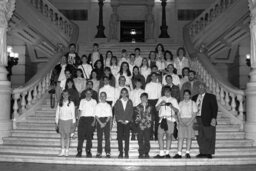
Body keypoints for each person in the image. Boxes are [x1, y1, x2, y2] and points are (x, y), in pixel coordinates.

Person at [192, 83, 218, 159]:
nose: (200, 89)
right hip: (196, 119)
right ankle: (202, 152)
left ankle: (209, 153)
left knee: (209, 136)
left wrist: (214, 118)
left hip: (208, 119)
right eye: (199, 87)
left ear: (205, 88)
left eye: (202, 87)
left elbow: (214, 108)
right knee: (199, 137)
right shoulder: (194, 97)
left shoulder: (211, 97)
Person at [154, 86, 179, 158]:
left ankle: (167, 153)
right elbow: (156, 109)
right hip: (162, 119)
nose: (166, 93)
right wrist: (161, 103)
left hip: (170, 119)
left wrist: (171, 106)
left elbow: (177, 110)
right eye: (165, 91)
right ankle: (161, 152)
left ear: (170, 92)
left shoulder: (174, 100)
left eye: (168, 91)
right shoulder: (161, 98)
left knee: (169, 136)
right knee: (159, 135)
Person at [173, 89, 197, 159]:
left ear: (190, 95)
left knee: (189, 137)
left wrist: (190, 122)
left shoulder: (193, 103)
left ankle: (187, 153)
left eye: (187, 94)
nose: (186, 96)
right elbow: (178, 113)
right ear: (183, 95)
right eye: (185, 94)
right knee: (180, 137)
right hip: (181, 121)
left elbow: (194, 113)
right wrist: (180, 121)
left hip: (190, 120)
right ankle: (179, 153)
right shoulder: (180, 103)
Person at [76, 88, 97, 158]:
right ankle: (79, 151)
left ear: (91, 94)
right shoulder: (82, 101)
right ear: (85, 94)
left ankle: (88, 151)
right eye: (87, 93)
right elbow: (80, 111)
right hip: (82, 119)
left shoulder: (94, 101)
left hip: (90, 119)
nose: (88, 94)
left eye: (89, 93)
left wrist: (94, 121)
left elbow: (95, 112)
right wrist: (78, 121)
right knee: (80, 136)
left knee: (89, 137)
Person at [55, 90, 76, 157]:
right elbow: (57, 113)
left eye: (66, 94)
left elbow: (73, 114)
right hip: (61, 121)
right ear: (62, 95)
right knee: (62, 137)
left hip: (69, 121)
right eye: (64, 94)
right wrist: (56, 122)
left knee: (68, 136)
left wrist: (74, 123)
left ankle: (67, 150)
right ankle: (62, 150)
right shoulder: (60, 103)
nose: (65, 96)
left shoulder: (71, 103)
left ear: (68, 95)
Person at [114, 88, 133, 158]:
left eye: (125, 93)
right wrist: (120, 120)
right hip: (120, 122)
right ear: (121, 94)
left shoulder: (130, 101)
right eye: (123, 93)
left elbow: (131, 112)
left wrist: (127, 120)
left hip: (127, 122)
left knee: (127, 138)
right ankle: (121, 152)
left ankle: (126, 152)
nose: (124, 94)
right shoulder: (118, 101)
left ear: (127, 94)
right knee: (120, 137)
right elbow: (116, 112)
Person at [145, 72, 162, 140]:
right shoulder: (148, 85)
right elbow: (146, 95)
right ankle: (150, 135)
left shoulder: (159, 85)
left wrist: (160, 103)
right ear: (151, 77)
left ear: (157, 77)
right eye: (153, 76)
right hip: (150, 102)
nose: (154, 77)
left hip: (158, 101)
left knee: (158, 120)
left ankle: (157, 136)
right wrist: (147, 104)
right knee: (150, 120)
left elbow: (160, 95)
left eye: (155, 76)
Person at [95, 91, 112, 158]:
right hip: (99, 121)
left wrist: (104, 123)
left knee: (107, 138)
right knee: (99, 138)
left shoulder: (108, 106)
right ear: (99, 97)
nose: (102, 97)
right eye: (101, 96)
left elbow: (109, 116)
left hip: (106, 121)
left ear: (106, 97)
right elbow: (96, 115)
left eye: (104, 96)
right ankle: (99, 152)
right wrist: (100, 123)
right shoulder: (97, 105)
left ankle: (107, 152)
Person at [135, 93, 152, 158]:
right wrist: (139, 121)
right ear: (140, 99)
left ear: (147, 99)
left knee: (147, 140)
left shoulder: (150, 107)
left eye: (145, 98)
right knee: (140, 140)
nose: (144, 99)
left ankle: (146, 152)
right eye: (142, 98)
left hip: (148, 126)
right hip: (140, 126)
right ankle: (141, 153)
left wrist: (147, 121)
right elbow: (136, 116)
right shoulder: (137, 107)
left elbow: (152, 116)